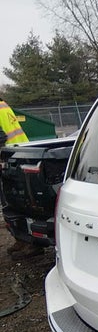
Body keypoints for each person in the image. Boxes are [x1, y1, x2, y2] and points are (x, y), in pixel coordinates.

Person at [0, 99, 41, 259]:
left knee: (13, 203)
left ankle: (30, 242)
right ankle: (22, 239)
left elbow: (1, 136)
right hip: (19, 154)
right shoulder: (2, 104)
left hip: (9, 158)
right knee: (19, 201)